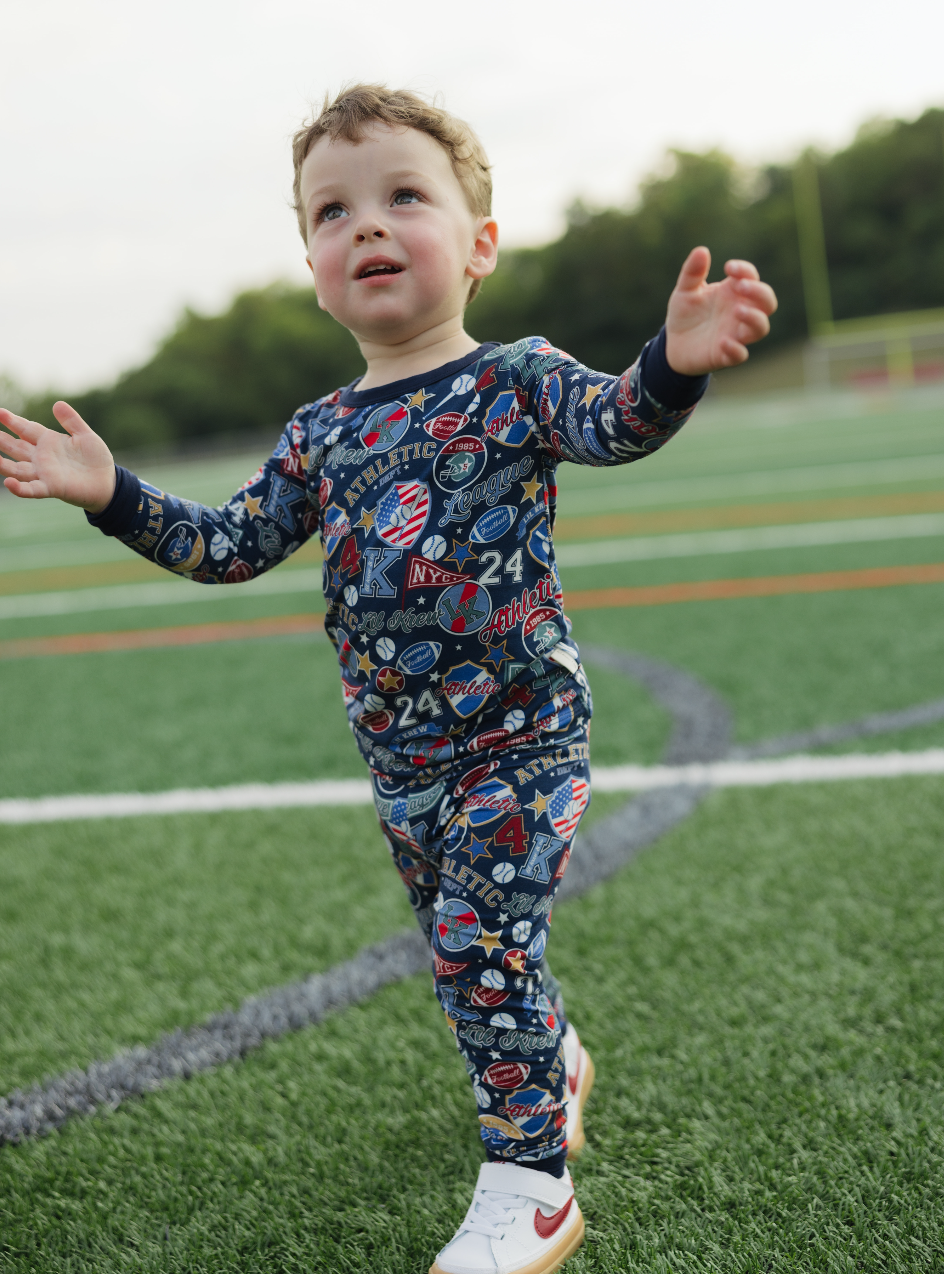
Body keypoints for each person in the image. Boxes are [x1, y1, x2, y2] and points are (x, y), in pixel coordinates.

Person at [0, 85, 776, 1274]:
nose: (364, 226)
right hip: (402, 763)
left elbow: (616, 421)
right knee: (473, 948)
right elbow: (230, 545)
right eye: (330, 211)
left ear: (477, 246)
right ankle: (552, 1053)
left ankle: (530, 1184)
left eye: (402, 197)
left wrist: (668, 364)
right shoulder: (318, 431)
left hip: (523, 738)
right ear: (309, 261)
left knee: (476, 944)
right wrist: (114, 493)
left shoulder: (514, 376)